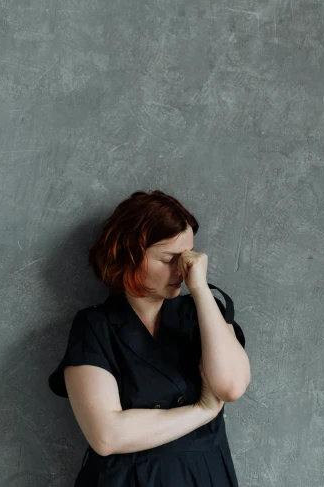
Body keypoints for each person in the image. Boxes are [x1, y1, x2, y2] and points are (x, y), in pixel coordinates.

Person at [48, 189, 250, 486]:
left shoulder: (203, 312)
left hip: (204, 476)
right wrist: (202, 410)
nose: (182, 270)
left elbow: (231, 387)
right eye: (169, 258)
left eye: (188, 257)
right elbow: (106, 436)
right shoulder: (94, 326)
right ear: (129, 255)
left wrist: (201, 291)